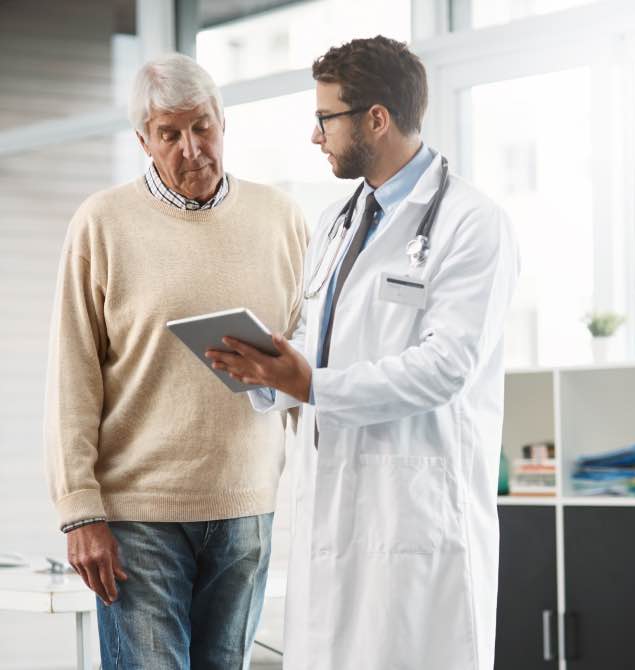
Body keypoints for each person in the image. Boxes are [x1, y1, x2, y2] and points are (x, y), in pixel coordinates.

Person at [205, 36, 520, 670]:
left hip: (415, 520)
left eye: (326, 118)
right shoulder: (336, 222)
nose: (316, 136)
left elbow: (446, 366)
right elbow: (322, 342)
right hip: (332, 511)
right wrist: (268, 368)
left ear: (376, 117)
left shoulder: (471, 223)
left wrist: (313, 386)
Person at [45, 53, 308, 670]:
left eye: (202, 127)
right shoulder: (101, 224)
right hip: (140, 518)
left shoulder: (282, 219)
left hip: (247, 510)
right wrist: (79, 510)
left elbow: (308, 360)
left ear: (222, 121)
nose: (191, 148)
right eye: (169, 133)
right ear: (143, 139)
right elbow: (72, 376)